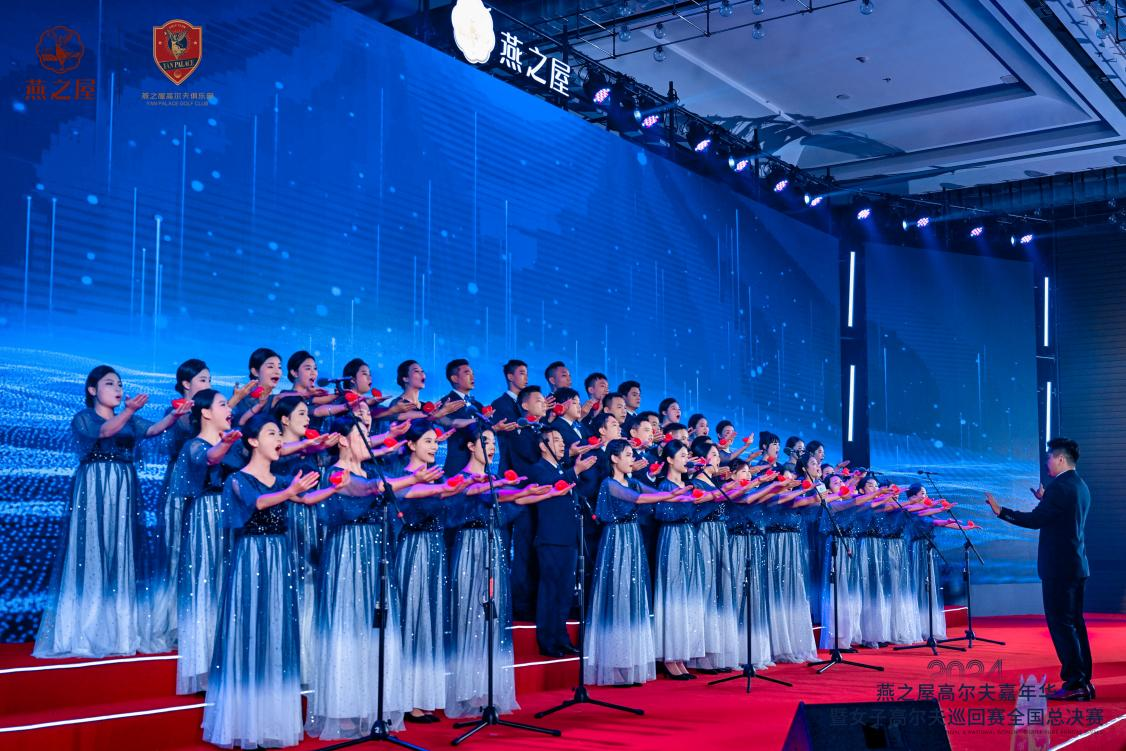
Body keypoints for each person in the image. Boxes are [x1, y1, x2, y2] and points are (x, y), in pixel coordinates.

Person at [201, 415, 343, 748]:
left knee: (276, 629)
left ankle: (270, 720)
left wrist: (334, 488)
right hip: (251, 557)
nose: (279, 439)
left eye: (280, 434)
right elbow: (259, 503)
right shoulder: (237, 479)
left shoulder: (281, 480)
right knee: (250, 630)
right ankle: (244, 721)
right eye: (271, 434)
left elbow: (305, 500)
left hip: (279, 557)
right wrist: (291, 490)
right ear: (252, 441)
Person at [35, 366, 189, 659]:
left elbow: (153, 430)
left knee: (120, 550)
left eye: (119, 384)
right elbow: (105, 431)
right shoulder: (84, 418)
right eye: (109, 384)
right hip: (95, 485)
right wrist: (129, 411)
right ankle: (84, 629)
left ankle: (119, 630)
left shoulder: (129, 419)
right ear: (92, 390)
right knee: (92, 550)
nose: (117, 389)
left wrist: (175, 416)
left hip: (123, 486)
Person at [987, 437, 1094, 701]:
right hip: (1075, 565)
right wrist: (1046, 500)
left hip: (1059, 568)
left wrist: (1001, 511)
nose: (1047, 462)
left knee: (1062, 625)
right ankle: (1083, 681)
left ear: (1060, 459)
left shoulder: (1060, 488)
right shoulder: (1079, 485)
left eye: (1049, 457)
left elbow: (1036, 520)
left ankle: (1075, 683)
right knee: (1074, 624)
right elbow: (1060, 516)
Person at [586, 440, 694, 686]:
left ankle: (629, 663)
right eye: (627, 455)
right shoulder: (609, 483)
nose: (631, 459)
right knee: (618, 596)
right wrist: (671, 495)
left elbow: (651, 493)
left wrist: (672, 495)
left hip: (633, 539)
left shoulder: (633, 480)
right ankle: (614, 666)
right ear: (614, 458)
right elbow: (637, 498)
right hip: (617, 539)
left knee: (632, 597)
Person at [528, 425, 597, 656]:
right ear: (543, 445)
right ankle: (547, 640)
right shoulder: (538, 469)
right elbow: (552, 485)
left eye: (561, 440)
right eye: (556, 440)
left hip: (569, 538)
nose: (561, 444)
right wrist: (575, 470)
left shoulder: (562, 468)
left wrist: (576, 469)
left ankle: (561, 637)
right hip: (550, 538)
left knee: (566, 591)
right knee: (550, 590)